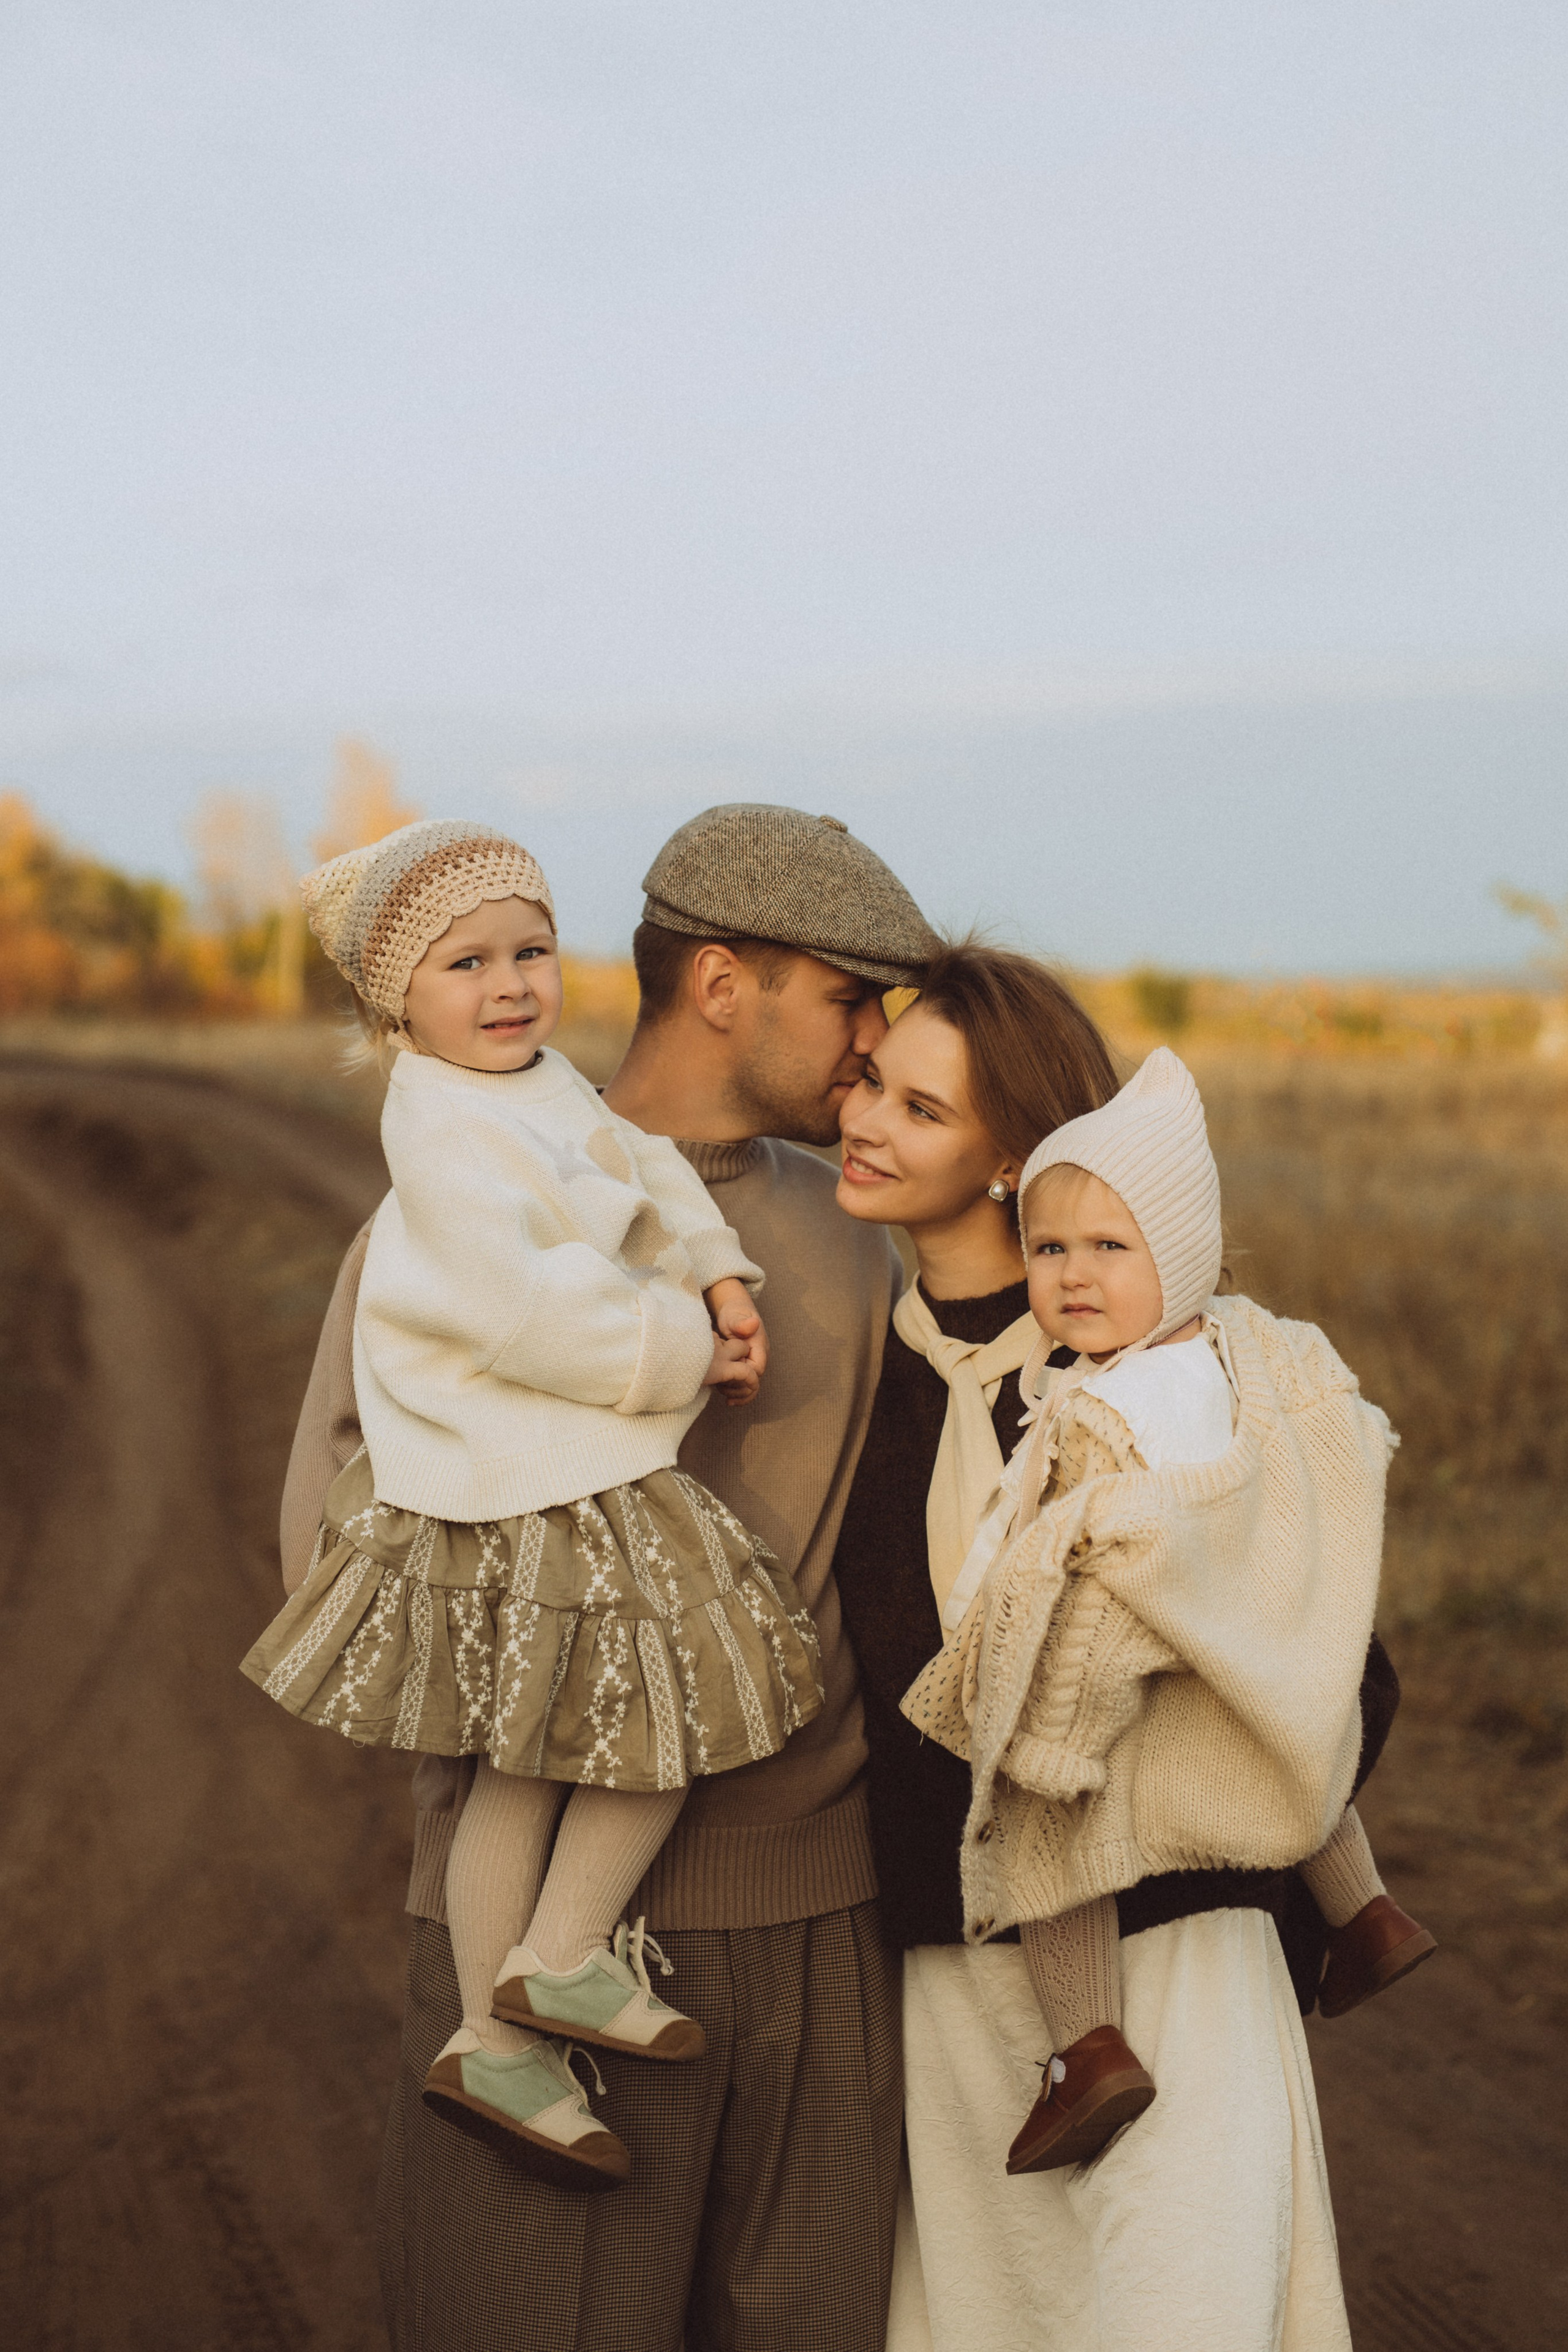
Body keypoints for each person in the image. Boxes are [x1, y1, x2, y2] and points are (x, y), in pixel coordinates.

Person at [271, 803, 939, 2350]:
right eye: (849, 997)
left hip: (813, 1937)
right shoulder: (436, 1230)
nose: (873, 1042)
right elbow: (329, 1553)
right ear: (721, 983)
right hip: (524, 1947)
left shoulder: (858, 1238)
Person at [829, 949, 1402, 2352]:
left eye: (918, 1106)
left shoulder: (1164, 1373)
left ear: (1010, 1159)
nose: (862, 1120)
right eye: (870, 1083)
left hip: (1176, 1940)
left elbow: (1333, 1660)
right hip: (956, 1958)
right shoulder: (858, 1375)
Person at [902, 1046, 1436, 2179]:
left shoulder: (1111, 1408)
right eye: (1049, 1249)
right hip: (1245, 1626)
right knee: (1294, 1727)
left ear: (1182, 1253)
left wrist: (1042, 1732)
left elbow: (1077, 1580)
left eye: (1111, 1248)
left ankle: (1085, 2050)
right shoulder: (1249, 1352)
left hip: (1137, 1654)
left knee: (1050, 1828)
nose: (1073, 1278)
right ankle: (1367, 1915)